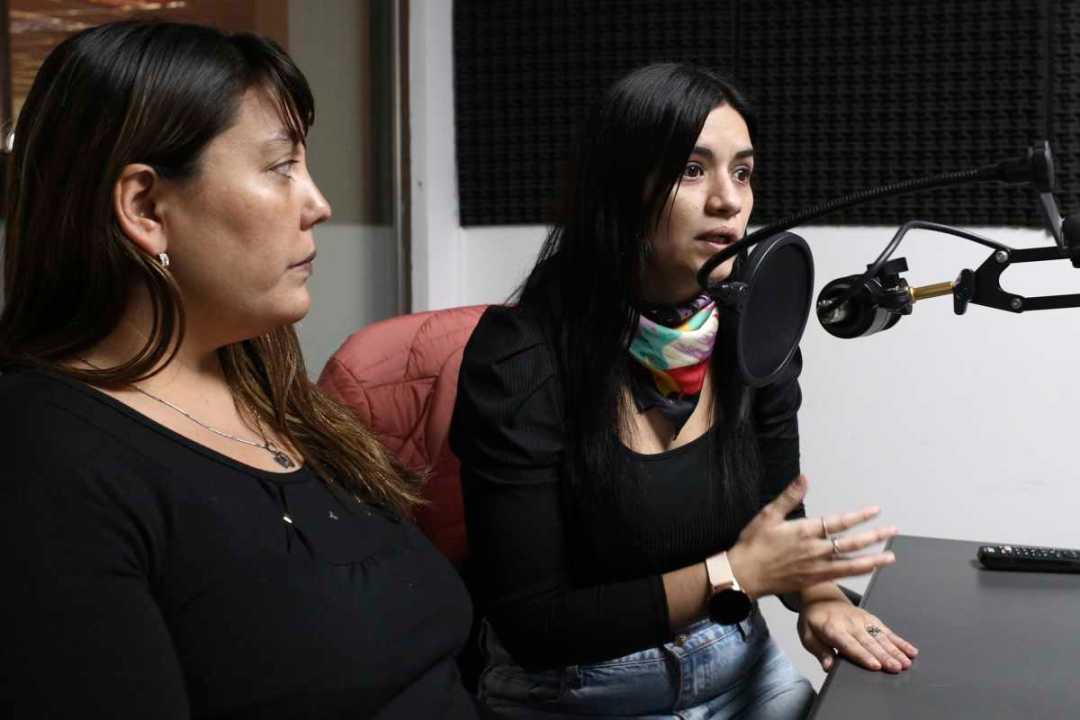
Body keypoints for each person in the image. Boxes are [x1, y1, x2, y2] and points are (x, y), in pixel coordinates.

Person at [0, 21, 477, 719]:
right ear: (145, 208)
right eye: (281, 167)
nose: (318, 205)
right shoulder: (43, 460)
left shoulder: (274, 391)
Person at [449, 63, 918, 719]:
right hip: (582, 694)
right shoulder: (519, 361)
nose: (729, 201)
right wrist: (733, 575)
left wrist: (817, 596)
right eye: (693, 170)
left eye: (743, 173)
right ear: (618, 188)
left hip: (739, 663)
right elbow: (533, 623)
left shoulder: (753, 335)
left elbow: (773, 521)